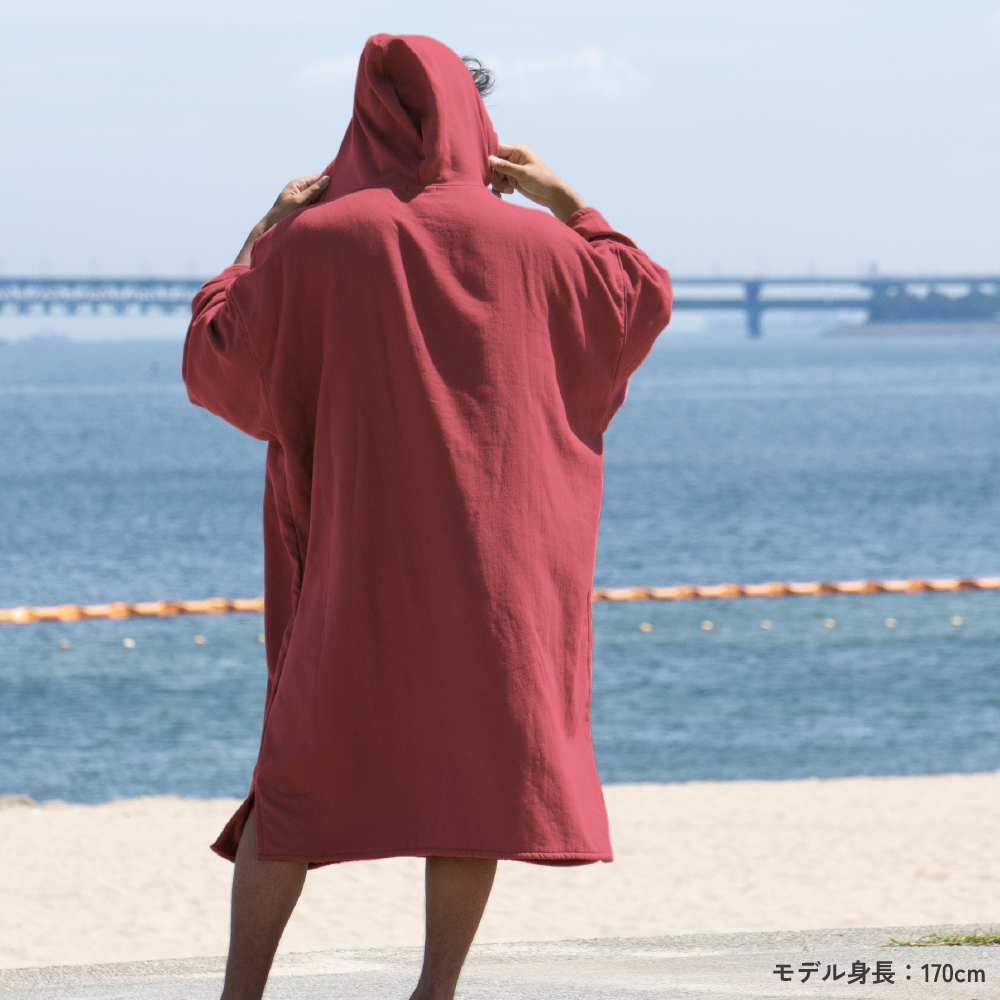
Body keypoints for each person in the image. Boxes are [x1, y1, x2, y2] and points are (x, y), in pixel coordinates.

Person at [183, 33, 671, 1000]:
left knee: (297, 770)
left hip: (355, 562)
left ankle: (242, 994)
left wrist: (261, 235)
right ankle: (435, 991)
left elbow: (218, 357)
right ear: (474, 121)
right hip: (498, 568)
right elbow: (639, 297)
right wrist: (571, 204)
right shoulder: (542, 246)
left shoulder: (318, 242)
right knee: (475, 772)